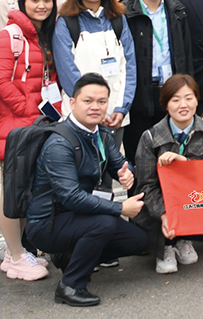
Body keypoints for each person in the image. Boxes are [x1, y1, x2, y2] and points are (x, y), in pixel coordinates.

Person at [25, 73, 148, 307]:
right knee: (104, 223)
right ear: (73, 103)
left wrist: (127, 172)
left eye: (102, 101)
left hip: (79, 214)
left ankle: (70, 255)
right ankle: (70, 286)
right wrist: (120, 208)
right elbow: (71, 197)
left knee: (138, 241)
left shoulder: (100, 133)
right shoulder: (59, 144)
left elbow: (119, 163)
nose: (95, 107)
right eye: (88, 101)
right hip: (47, 222)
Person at [0, 0, 59, 281]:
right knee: (10, 192)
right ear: (22, 2)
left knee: (23, 190)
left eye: (47, 0)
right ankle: (15, 255)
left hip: (35, 125)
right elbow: (1, 80)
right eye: (35, 0)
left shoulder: (44, 37)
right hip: (14, 126)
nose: (42, 6)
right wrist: (27, 108)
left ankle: (16, 254)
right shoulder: (10, 35)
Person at [134, 74, 203, 273]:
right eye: (175, 99)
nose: (183, 105)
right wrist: (164, 214)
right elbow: (146, 185)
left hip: (193, 198)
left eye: (189, 98)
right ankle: (165, 246)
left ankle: (183, 240)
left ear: (197, 100)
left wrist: (185, 163)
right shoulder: (150, 137)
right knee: (143, 231)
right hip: (160, 202)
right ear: (166, 105)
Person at [53, 0, 136, 152]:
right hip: (80, 118)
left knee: (111, 167)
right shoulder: (67, 23)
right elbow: (68, 72)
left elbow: (129, 67)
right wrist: (94, 109)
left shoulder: (118, 20)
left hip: (115, 117)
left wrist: (122, 108)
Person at [122, 0, 192, 168]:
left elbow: (186, 53)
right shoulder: (124, 12)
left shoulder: (177, 9)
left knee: (171, 154)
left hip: (171, 88)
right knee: (139, 155)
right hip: (139, 92)